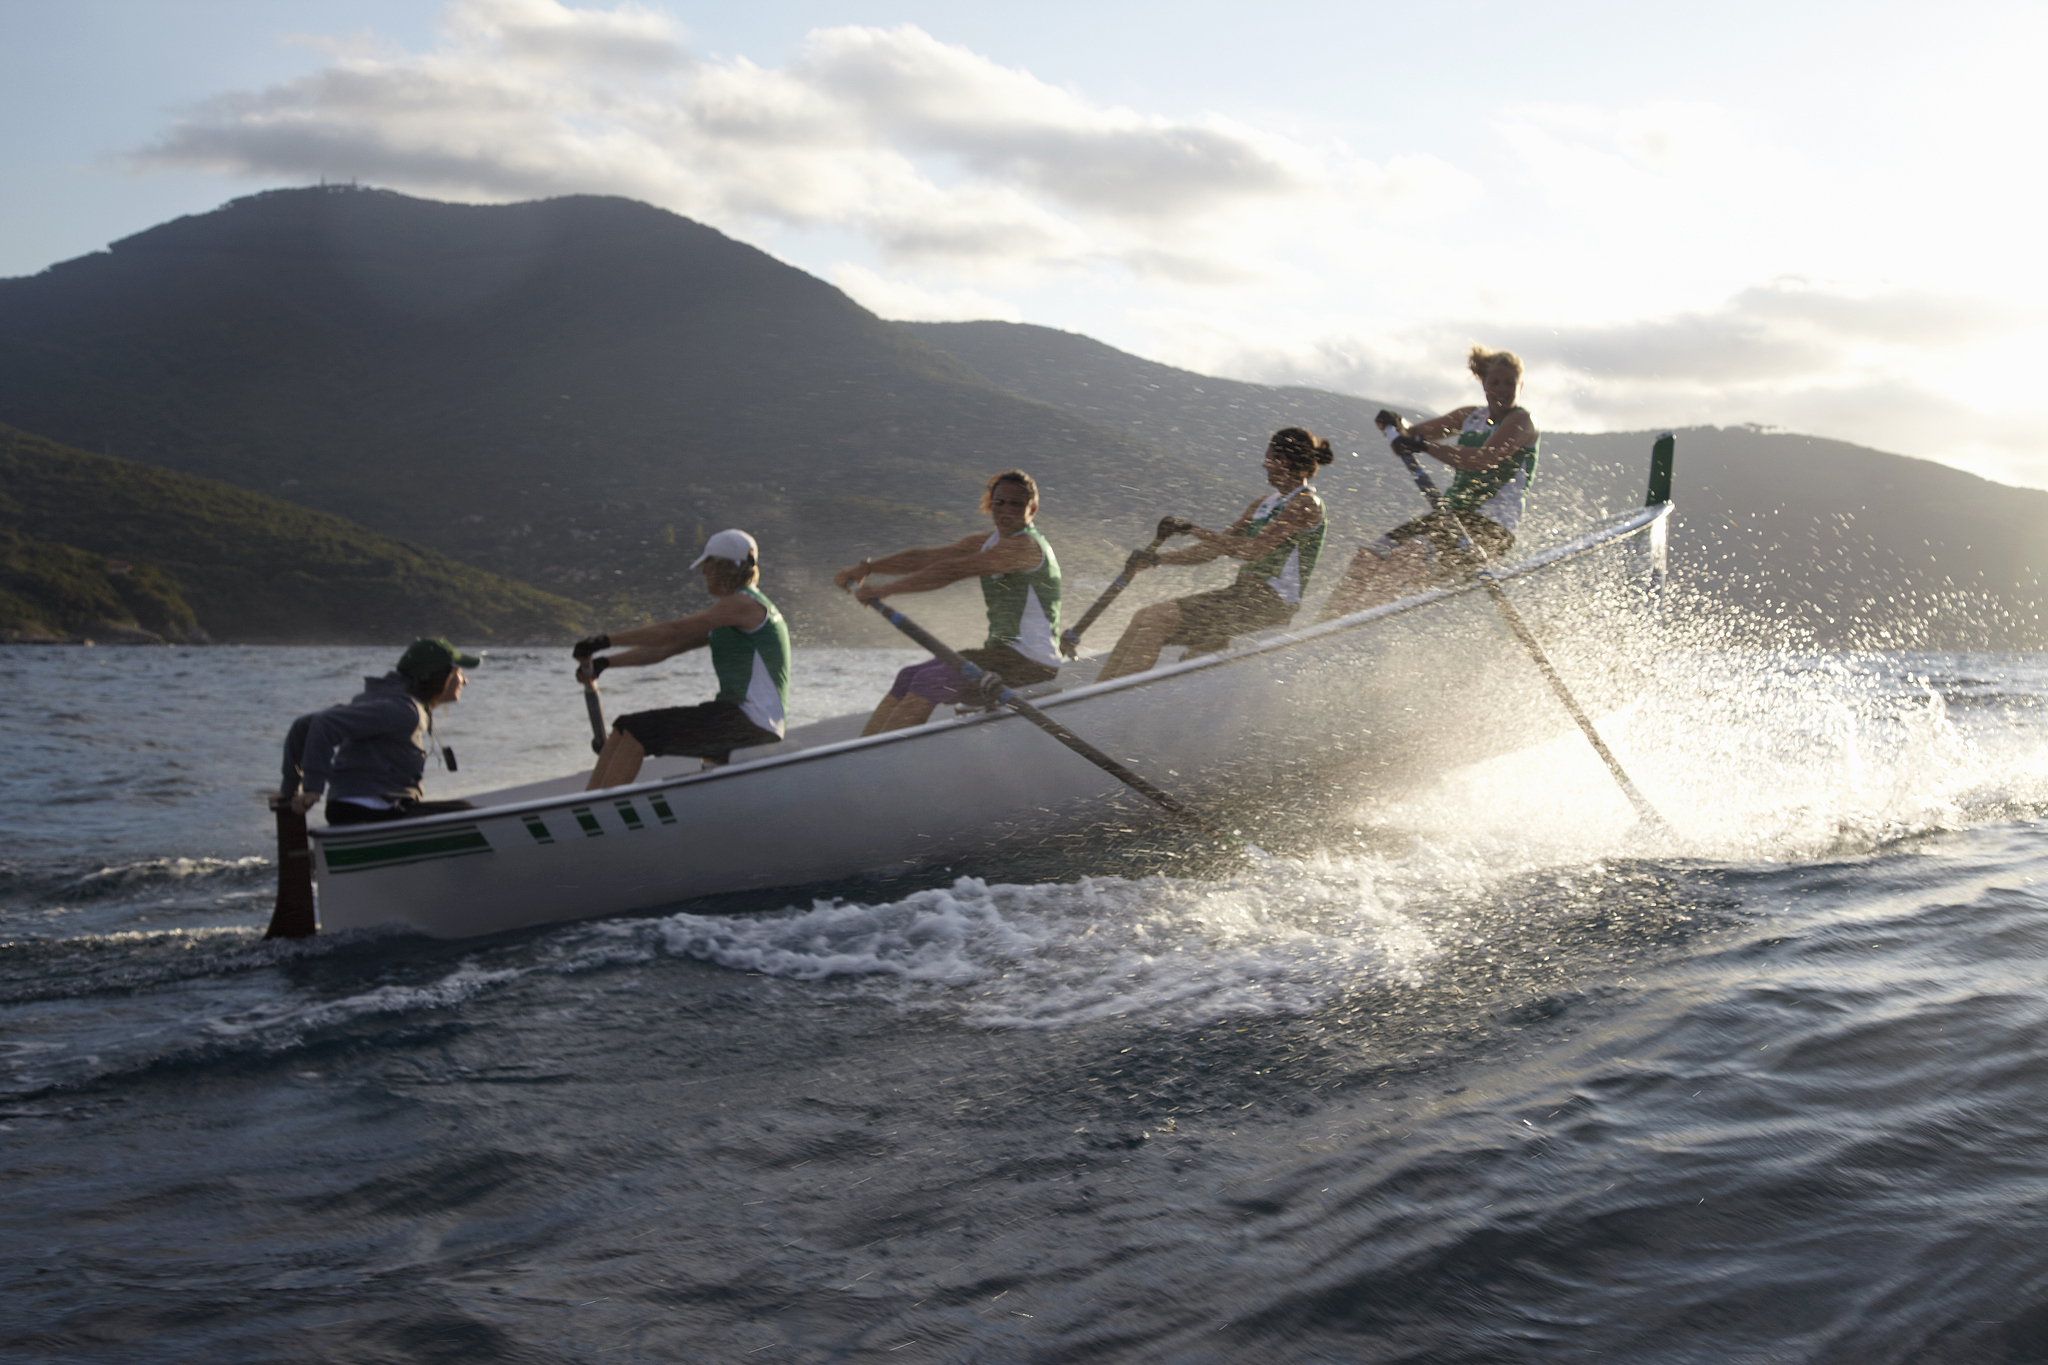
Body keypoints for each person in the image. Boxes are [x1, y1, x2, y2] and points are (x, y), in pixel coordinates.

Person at [1094, 427, 1332, 683]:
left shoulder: (1306, 503)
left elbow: (1252, 550)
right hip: (1244, 595)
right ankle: (1098, 694)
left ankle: (1114, 700)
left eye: (1268, 458)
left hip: (1271, 604)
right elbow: (1215, 548)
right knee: (1142, 617)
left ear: (1282, 461)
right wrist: (1156, 560)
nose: (1264, 466)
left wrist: (1193, 530)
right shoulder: (1263, 503)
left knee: (1155, 619)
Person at [836, 470, 1063, 735]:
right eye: (999, 503)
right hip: (1002, 655)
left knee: (929, 681)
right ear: (991, 505)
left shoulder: (1023, 547)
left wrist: (886, 590)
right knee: (907, 677)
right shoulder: (986, 542)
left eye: (1016, 504)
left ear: (1032, 509)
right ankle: (864, 753)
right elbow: (926, 559)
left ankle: (885, 763)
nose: (1006, 511)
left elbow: (954, 570)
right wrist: (867, 568)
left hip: (1032, 663)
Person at [1320, 345, 1539, 619]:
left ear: (1521, 385)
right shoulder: (1471, 416)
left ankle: (1360, 636)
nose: (1503, 389)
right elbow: (1413, 433)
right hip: (1451, 516)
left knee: (1402, 561)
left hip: (1490, 529)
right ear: (1484, 383)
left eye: (1510, 383)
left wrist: (1422, 446)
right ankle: (1321, 628)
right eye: (1496, 382)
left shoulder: (1521, 421)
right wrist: (1396, 425)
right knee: (1367, 558)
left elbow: (1482, 460)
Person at [575, 529, 792, 790]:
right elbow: (663, 649)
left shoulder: (741, 604)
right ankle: (585, 804)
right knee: (623, 728)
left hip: (748, 724)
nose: (703, 573)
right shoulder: (731, 614)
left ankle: (598, 814)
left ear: (725, 566)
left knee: (637, 731)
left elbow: (672, 630)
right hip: (740, 720)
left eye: (707, 565)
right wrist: (605, 663)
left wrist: (603, 641)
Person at [279, 637, 479, 825]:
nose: (464, 681)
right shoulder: (402, 709)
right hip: (370, 809)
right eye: (459, 672)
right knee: (469, 814)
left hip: (358, 808)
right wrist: (312, 788)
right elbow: (324, 723)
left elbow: (304, 725)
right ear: (442, 676)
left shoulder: (388, 699)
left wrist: (289, 791)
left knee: (463, 808)